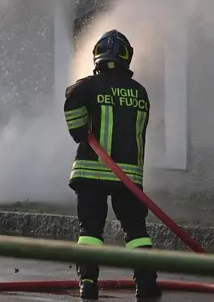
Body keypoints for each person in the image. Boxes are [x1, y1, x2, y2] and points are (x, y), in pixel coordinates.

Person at [63, 29, 162, 300]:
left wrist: (79, 132)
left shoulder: (88, 86)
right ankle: (146, 284)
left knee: (91, 231)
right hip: (128, 177)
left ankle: (88, 283)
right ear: (126, 58)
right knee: (136, 231)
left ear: (97, 56)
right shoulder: (140, 92)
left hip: (90, 173)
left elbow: (71, 98)